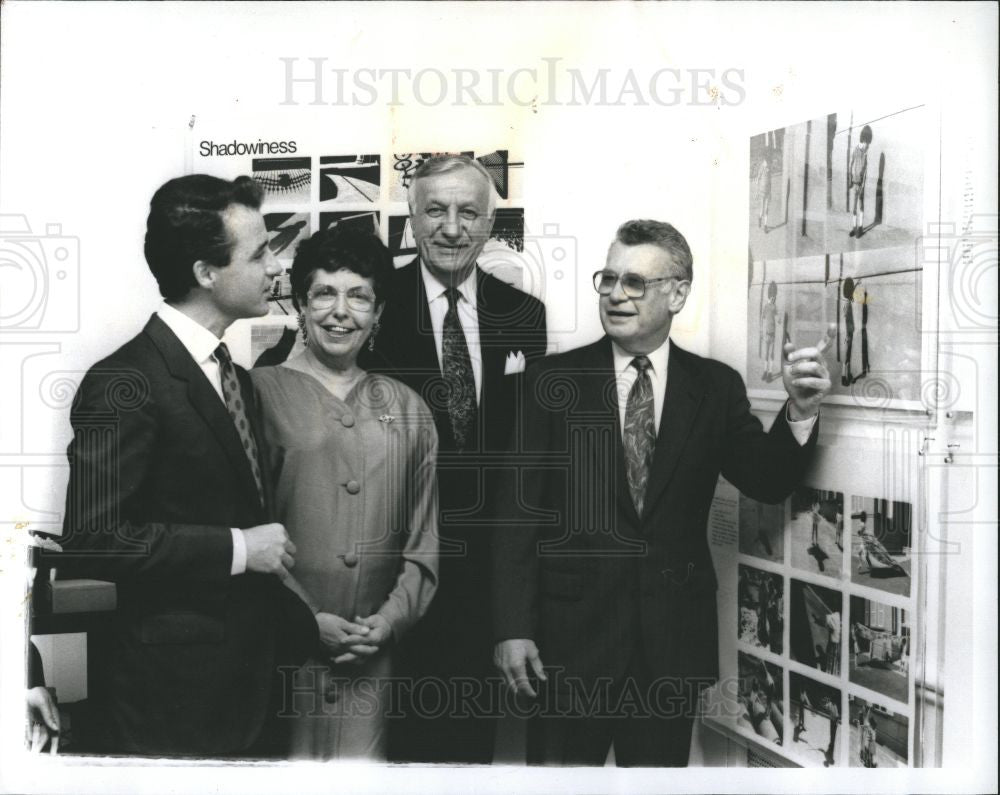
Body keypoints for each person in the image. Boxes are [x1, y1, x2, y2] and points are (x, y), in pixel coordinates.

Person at [493, 219, 833, 766]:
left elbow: (767, 480)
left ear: (677, 293)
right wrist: (512, 629)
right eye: (608, 279)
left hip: (669, 649)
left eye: (634, 283)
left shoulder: (715, 387)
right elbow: (516, 519)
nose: (615, 295)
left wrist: (800, 410)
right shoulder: (547, 383)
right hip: (568, 645)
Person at [50, 175, 317, 756]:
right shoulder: (124, 382)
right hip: (170, 704)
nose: (277, 266)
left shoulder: (235, 380)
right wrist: (239, 548)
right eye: (260, 252)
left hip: (249, 690)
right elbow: (93, 541)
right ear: (205, 273)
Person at [366, 155, 548, 763]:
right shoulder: (372, 304)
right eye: (435, 211)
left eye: (468, 212)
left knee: (466, 751)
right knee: (376, 749)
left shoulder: (523, 314)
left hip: (484, 578)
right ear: (411, 220)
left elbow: (527, 455)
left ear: (489, 221)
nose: (451, 227)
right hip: (385, 568)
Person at [251, 226, 439, 760]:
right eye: (325, 293)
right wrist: (306, 621)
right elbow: (246, 525)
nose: (341, 311)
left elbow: (426, 539)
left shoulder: (409, 408)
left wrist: (389, 622)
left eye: (359, 296)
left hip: (374, 655)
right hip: (283, 647)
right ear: (300, 304)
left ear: (378, 312)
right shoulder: (255, 393)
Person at [848, 125, 872, 238]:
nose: (868, 146)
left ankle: (861, 227)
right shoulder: (856, 150)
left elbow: (866, 171)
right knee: (854, 205)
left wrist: (863, 186)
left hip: (861, 182)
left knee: (861, 203)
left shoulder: (865, 154)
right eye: (868, 144)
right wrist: (849, 177)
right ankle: (854, 227)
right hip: (855, 180)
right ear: (864, 140)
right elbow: (851, 163)